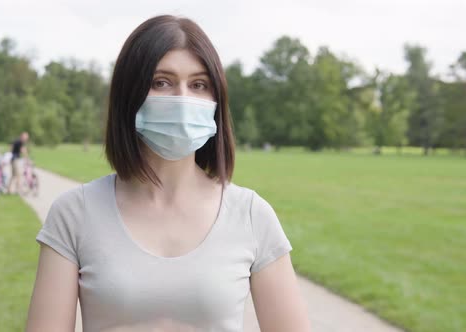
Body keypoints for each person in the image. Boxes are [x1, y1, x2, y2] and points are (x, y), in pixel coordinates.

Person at [26, 15, 310, 332]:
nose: (183, 99)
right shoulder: (73, 214)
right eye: (161, 82)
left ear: (217, 100)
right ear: (129, 96)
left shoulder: (252, 215)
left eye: (199, 85)